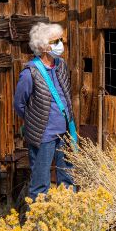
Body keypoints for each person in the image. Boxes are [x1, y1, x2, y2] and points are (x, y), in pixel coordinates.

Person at [14, 22, 77, 201]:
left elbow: (65, 94)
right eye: (55, 41)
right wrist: (34, 121)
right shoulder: (30, 73)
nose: (60, 44)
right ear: (43, 46)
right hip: (43, 135)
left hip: (64, 133)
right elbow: (19, 104)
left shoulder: (61, 65)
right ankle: (36, 223)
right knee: (41, 183)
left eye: (61, 39)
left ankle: (68, 218)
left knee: (68, 178)